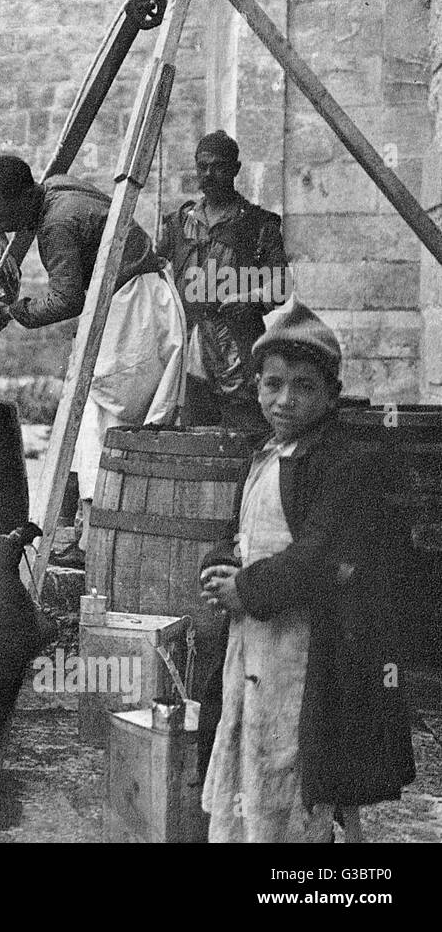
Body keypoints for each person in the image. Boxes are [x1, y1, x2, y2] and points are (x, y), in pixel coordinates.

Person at [198, 302, 415, 842]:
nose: (285, 399)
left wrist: (246, 588)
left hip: (308, 644)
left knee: (291, 758)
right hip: (253, 640)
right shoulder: (266, 454)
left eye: (303, 386)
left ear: (330, 393)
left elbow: (321, 556)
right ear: (256, 388)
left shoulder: (339, 462)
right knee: (250, 741)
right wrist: (219, 564)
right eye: (273, 385)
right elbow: (240, 531)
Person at [0, 155, 185, 568]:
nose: (0, 221)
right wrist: (7, 223)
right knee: (92, 418)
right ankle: (89, 535)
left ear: (21, 198)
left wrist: (12, 312)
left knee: (107, 423)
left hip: (133, 317)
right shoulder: (56, 187)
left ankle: (102, 542)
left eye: (1, 212)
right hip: (141, 301)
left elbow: (66, 299)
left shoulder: (56, 225)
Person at [160, 131, 289, 432]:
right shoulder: (179, 223)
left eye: (218, 166)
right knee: (193, 440)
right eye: (202, 166)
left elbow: (281, 285)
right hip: (190, 349)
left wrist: (250, 299)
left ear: (235, 169)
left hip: (239, 352)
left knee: (247, 438)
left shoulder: (258, 224)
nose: (208, 174)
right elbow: (154, 279)